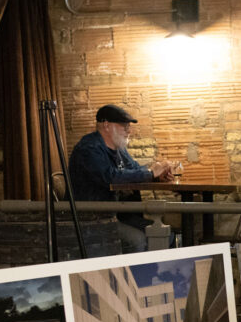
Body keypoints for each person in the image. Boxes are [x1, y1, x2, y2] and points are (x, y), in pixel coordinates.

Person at [68, 104, 174, 255]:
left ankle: (158, 273)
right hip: (93, 219)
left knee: (168, 234)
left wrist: (157, 176)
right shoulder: (89, 148)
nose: (128, 131)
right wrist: (151, 173)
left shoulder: (119, 150)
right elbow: (110, 177)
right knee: (138, 240)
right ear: (106, 125)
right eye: (124, 126)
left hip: (118, 215)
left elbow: (135, 169)